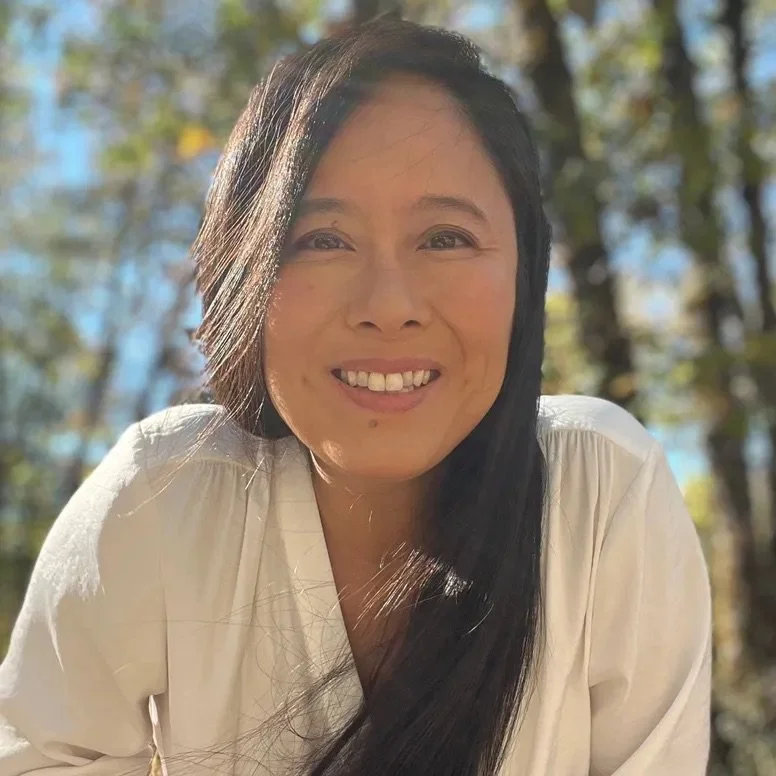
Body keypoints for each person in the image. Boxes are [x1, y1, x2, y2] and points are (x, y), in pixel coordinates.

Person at [0, 17, 711, 776]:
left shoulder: (600, 495)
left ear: (523, 281)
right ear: (246, 273)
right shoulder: (162, 497)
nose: (388, 303)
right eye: (322, 240)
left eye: (445, 238)